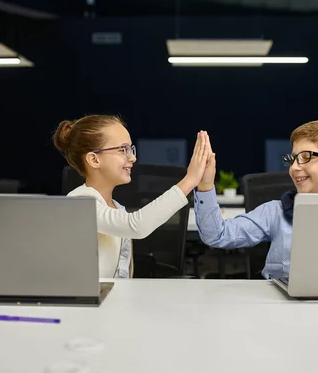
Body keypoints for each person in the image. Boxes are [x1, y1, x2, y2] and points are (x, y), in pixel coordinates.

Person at [194, 120, 318, 279]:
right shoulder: (275, 213)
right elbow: (217, 235)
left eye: (306, 157)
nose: (294, 167)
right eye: (292, 159)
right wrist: (205, 184)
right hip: (277, 303)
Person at [53, 114, 210, 278]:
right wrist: (190, 180)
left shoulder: (116, 207)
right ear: (94, 159)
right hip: (89, 302)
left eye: (130, 149)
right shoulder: (81, 203)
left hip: (111, 300)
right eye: (123, 150)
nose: (133, 158)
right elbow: (136, 226)